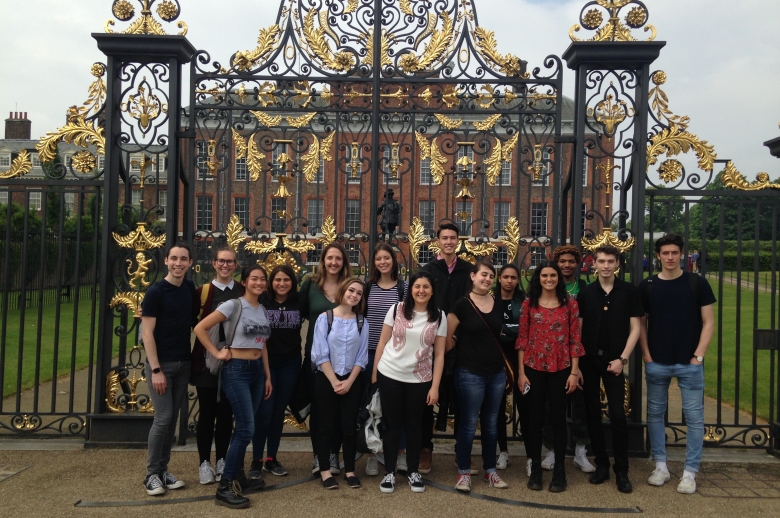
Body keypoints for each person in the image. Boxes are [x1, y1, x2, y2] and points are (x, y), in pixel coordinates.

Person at [639, 234, 715, 494]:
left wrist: (699, 356)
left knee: (694, 418)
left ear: (681, 254)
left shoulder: (697, 283)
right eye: (665, 253)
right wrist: (647, 355)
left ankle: (690, 472)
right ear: (658, 255)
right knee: (655, 416)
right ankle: (660, 465)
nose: (670, 257)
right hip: (657, 361)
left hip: (689, 362)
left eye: (674, 252)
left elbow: (709, 322)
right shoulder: (647, 285)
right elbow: (641, 323)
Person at [194, 265, 273, 509]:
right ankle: (225, 486)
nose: (258, 283)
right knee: (246, 428)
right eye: (254, 279)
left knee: (245, 425)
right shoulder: (232, 305)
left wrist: (268, 376)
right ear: (245, 281)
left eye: (262, 279)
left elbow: (263, 345)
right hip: (236, 369)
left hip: (256, 370)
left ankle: (237, 476)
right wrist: (217, 352)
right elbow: (200, 328)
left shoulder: (261, 309)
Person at [577, 246, 643, 494]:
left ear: (617, 264)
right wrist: (579, 364)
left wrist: (623, 359)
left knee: (617, 415)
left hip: (615, 361)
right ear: (594, 264)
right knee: (592, 414)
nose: (605, 265)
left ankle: (622, 470)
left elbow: (635, 328)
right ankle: (602, 465)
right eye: (601, 261)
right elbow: (579, 331)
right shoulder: (586, 293)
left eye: (610, 261)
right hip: (590, 361)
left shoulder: (629, 292)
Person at [517, 262, 584, 493]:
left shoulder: (569, 305)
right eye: (544, 275)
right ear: (538, 278)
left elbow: (575, 339)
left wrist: (574, 372)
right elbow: (523, 339)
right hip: (534, 367)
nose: (549, 279)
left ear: (558, 277)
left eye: (553, 275)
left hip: (561, 367)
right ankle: (536, 467)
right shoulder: (529, 304)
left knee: (558, 420)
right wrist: (521, 373)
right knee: (535, 419)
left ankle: (560, 472)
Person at [446, 260, 509, 493]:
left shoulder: (498, 303)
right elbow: (447, 339)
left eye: (491, 276)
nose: (487, 279)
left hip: (496, 372)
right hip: (470, 371)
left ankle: (490, 470)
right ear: (472, 276)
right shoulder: (461, 305)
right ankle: (464, 472)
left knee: (491, 424)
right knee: (469, 423)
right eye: (483, 274)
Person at [140, 242, 197, 497]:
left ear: (190, 263)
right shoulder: (155, 292)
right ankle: (151, 474)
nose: (178, 263)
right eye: (174, 258)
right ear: (166, 261)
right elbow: (147, 334)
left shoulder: (188, 287)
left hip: (182, 362)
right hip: (161, 365)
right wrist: (155, 370)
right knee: (162, 419)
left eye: (183, 259)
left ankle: (163, 470)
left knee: (172, 418)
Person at [420, 222, 472, 474]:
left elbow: (473, 306)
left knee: (462, 401)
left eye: (453, 238)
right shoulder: (429, 270)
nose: (449, 241)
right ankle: (425, 448)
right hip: (432, 343)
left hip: (461, 344)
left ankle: (461, 451)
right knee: (427, 399)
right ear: (437, 241)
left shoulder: (468, 271)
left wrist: (455, 338)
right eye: (444, 238)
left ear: (458, 241)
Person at [537, 246, 593, 474]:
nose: (567, 265)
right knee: (551, 406)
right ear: (555, 263)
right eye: (562, 261)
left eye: (571, 261)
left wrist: (576, 363)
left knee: (580, 404)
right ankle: (550, 449)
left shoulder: (585, 289)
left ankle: (581, 449)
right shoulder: (548, 288)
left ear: (577, 263)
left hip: (578, 354)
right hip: (552, 356)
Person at [311, 277, 369, 490]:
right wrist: (335, 381)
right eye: (351, 290)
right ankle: (325, 470)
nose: (354, 295)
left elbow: (361, 357)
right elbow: (319, 353)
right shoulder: (325, 318)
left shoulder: (362, 322)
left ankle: (350, 469)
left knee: (349, 428)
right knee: (325, 426)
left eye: (359, 293)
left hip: (351, 380)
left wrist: (349, 381)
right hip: (327, 379)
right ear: (343, 291)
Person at [299, 243, 352, 474]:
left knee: (340, 410)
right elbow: (297, 315)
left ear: (344, 262)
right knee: (320, 410)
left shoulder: (349, 286)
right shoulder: (310, 285)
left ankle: (333, 454)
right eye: (330, 258)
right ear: (323, 260)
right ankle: (318, 456)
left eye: (338, 259)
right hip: (316, 358)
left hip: (344, 359)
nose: (333, 263)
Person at [191, 247, 242, 485]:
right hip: (207, 361)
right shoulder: (202, 292)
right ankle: (204, 462)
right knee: (207, 413)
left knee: (225, 414)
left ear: (236, 265)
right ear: (214, 263)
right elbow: (190, 322)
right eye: (221, 261)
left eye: (230, 262)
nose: (225, 265)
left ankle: (222, 459)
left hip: (234, 361)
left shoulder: (242, 290)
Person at [248, 264, 303, 479]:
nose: (282, 284)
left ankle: (271, 458)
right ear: (271, 282)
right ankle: (256, 459)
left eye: (286, 280)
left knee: (279, 411)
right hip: (266, 362)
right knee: (264, 412)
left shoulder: (300, 301)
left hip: (290, 362)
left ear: (292, 282)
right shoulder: (262, 301)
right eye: (278, 280)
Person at [363, 242, 407, 476]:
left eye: (386, 258)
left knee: (396, 406)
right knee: (372, 405)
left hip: (396, 355)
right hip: (370, 353)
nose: (382, 262)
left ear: (393, 261)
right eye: (378, 259)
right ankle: (372, 454)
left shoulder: (403, 288)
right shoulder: (367, 287)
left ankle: (400, 453)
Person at [495, 264, 526, 471]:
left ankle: (531, 454)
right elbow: (491, 329)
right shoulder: (491, 301)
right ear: (499, 279)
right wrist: (509, 330)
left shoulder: (524, 302)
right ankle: (503, 451)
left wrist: (505, 330)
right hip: (497, 359)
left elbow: (525, 331)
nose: (509, 281)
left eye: (513, 277)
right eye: (505, 277)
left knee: (524, 406)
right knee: (497, 408)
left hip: (521, 359)